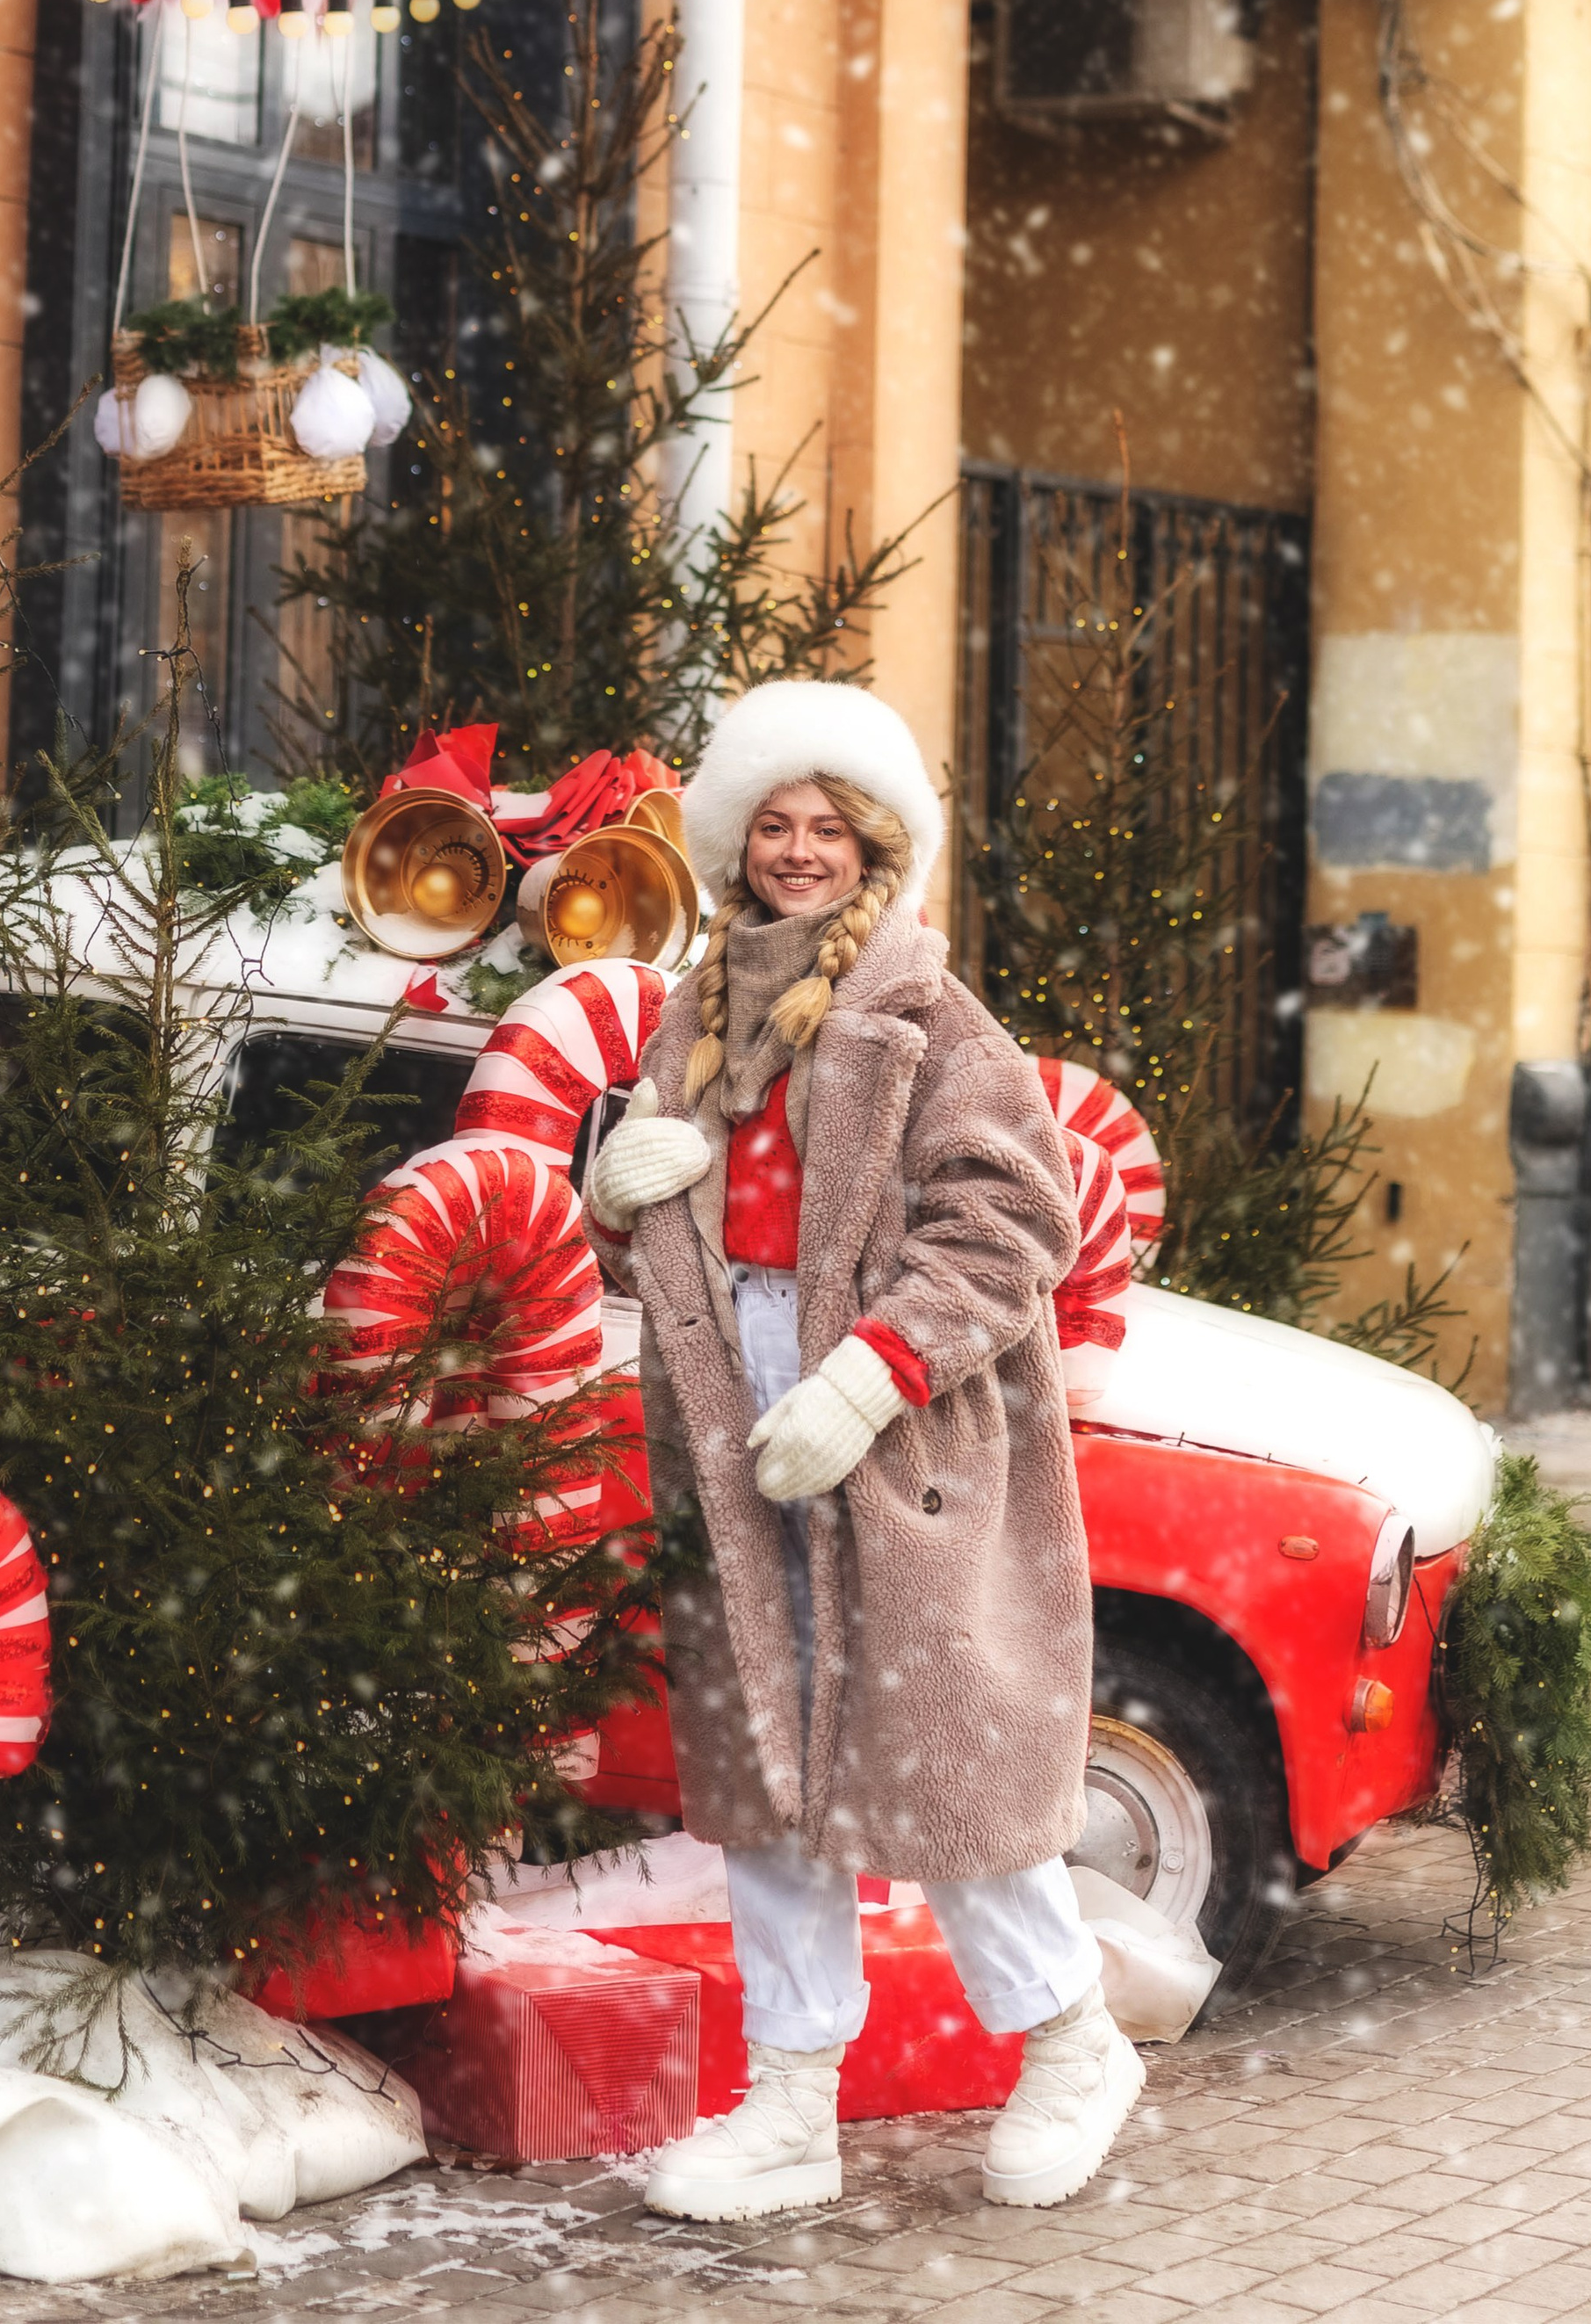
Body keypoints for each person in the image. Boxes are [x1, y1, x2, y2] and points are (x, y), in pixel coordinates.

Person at [584, 677, 1140, 2223]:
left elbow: (1014, 1221)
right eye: (776, 822)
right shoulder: (692, 1016)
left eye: (829, 826)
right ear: (737, 840)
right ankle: (789, 2102)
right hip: (727, 1417)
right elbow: (651, 1259)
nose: (798, 849)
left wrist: (873, 1370)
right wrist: (629, 1197)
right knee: (769, 1773)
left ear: (876, 847)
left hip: (898, 1432)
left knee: (937, 1751)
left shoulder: (937, 1019)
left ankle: (1073, 2042)